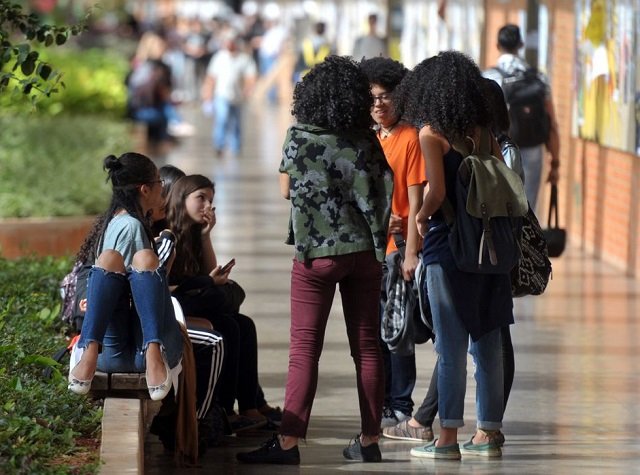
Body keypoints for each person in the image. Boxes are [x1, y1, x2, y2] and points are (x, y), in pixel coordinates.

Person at [236, 55, 393, 465]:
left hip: (316, 257)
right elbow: (383, 190)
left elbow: (286, 190)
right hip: (364, 253)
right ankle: (370, 439)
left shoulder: (299, 136)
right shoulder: (366, 140)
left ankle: (288, 443)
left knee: (305, 348)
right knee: (367, 346)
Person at [382, 76, 520, 448]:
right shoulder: (483, 133)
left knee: (451, 348)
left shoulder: (431, 134)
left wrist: (420, 216)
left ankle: (446, 440)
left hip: (449, 247)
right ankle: (488, 432)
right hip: (489, 248)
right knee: (488, 343)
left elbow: (438, 191)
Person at [67, 152, 183, 403]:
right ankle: (150, 349)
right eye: (159, 183)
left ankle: (90, 351)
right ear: (145, 189)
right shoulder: (131, 227)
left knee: (113, 259)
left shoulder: (115, 221)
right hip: (134, 345)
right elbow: (133, 295)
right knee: (144, 260)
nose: (162, 189)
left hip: (111, 354)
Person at [165, 174, 274, 433]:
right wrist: (205, 282)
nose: (207, 206)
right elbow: (162, 286)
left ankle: (248, 406)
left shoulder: (193, 233)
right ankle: (224, 410)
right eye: (200, 198)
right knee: (228, 326)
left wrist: (206, 236)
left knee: (244, 325)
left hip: (190, 304)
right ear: (181, 199)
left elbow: (208, 272)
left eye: (211, 201)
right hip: (172, 309)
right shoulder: (167, 235)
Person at [359, 56, 426, 431]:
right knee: (373, 332)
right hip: (367, 250)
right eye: (372, 98)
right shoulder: (366, 138)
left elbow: (416, 202)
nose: (378, 104)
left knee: (398, 330)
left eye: (385, 96)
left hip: (396, 250)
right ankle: (382, 401)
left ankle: (400, 403)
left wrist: (411, 252)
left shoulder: (411, 138)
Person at [483, 24, 560, 211]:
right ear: (521, 45)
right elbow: (552, 124)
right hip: (532, 147)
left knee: (499, 204)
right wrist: (555, 162)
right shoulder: (539, 78)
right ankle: (524, 230)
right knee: (527, 203)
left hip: (499, 148)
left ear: (497, 45)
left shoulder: (488, 77)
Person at [201, 31, 257, 158]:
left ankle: (236, 147)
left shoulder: (244, 58)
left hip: (237, 97)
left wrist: (248, 89)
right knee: (222, 119)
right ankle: (219, 145)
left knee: (236, 123)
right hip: (222, 95)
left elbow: (251, 76)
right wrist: (207, 94)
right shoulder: (219, 57)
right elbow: (211, 77)